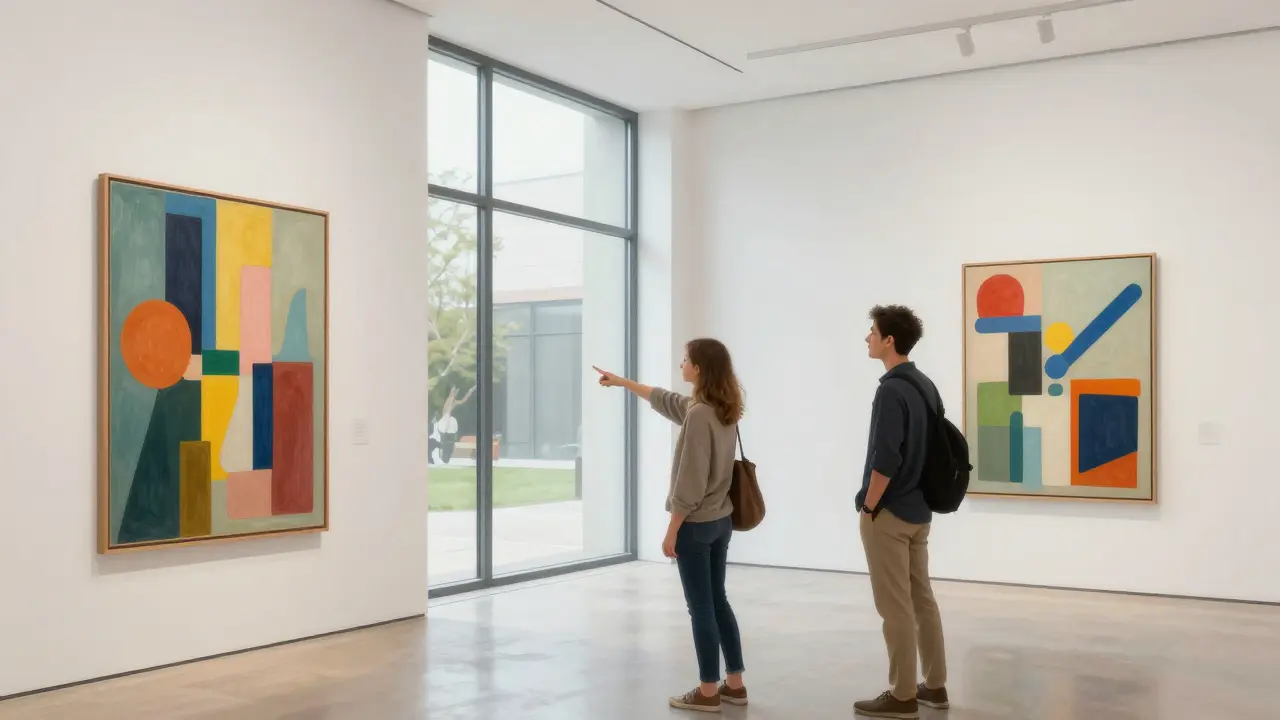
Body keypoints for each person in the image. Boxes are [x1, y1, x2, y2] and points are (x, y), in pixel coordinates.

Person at [594, 338, 747, 714]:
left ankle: (708, 691)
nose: (681, 365)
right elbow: (664, 398)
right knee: (719, 601)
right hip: (722, 521)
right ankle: (735, 684)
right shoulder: (722, 408)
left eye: (685, 360)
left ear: (699, 368)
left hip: (696, 525)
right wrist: (622, 382)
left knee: (701, 609)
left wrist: (671, 528)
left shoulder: (698, 415)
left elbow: (689, 482)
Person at [854, 305, 949, 719]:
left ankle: (902, 693)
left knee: (894, 605)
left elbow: (885, 458)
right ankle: (934, 686)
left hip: (889, 513)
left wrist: (870, 504)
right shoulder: (925, 384)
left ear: (889, 340)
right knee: (921, 598)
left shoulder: (891, 389)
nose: (868, 338)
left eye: (872, 332)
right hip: (920, 510)